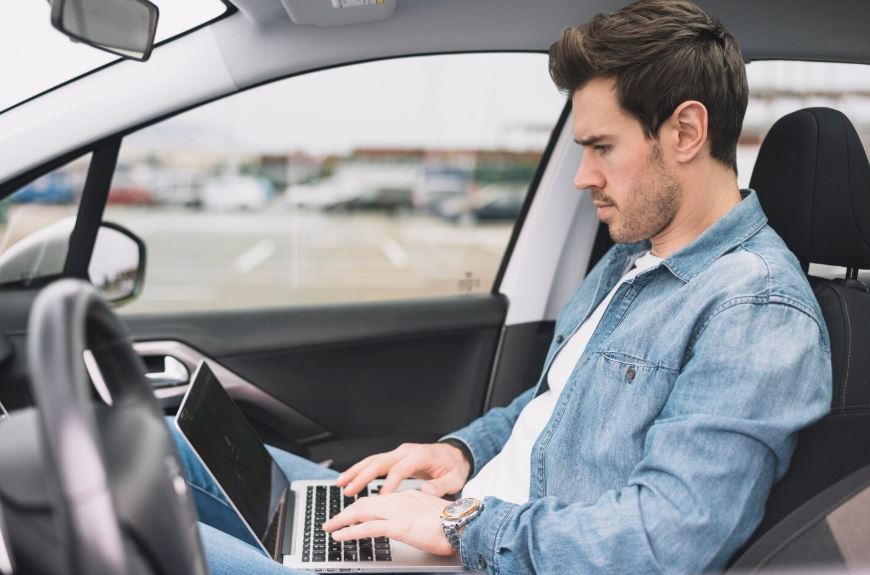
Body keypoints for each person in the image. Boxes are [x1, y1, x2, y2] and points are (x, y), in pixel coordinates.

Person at [176, 1, 832, 572]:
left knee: (138, 543)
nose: (582, 176)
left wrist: (457, 526)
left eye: (601, 146)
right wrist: (459, 453)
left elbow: (664, 543)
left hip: (492, 552)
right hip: (475, 526)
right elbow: (550, 412)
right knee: (170, 454)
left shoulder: (757, 310)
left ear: (685, 132)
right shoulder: (635, 256)